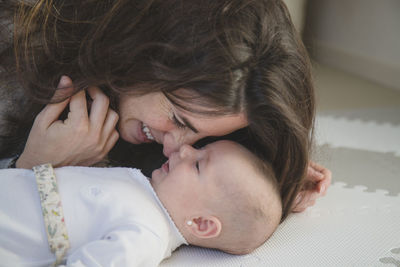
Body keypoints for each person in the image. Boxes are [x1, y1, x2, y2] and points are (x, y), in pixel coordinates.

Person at [0, 0, 331, 216]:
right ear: (145, 56)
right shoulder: (16, 54)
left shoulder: (155, 128)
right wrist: (30, 168)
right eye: (177, 119)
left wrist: (258, 171)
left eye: (201, 140)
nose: (174, 148)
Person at [0, 140, 282, 267]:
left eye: (197, 165)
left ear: (202, 223)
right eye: (199, 148)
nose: (185, 149)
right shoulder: (145, 191)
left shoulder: (147, 235)